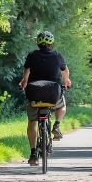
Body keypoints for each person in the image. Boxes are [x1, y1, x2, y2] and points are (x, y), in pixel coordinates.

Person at [18, 29, 72, 166]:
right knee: (62, 105)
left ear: (38, 43)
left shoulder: (32, 55)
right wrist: (67, 82)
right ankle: (57, 125)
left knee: (32, 122)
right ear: (51, 44)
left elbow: (26, 71)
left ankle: (32, 153)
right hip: (53, 93)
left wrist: (24, 82)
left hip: (34, 93)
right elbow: (65, 71)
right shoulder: (57, 55)